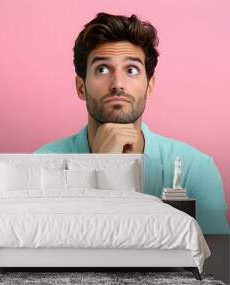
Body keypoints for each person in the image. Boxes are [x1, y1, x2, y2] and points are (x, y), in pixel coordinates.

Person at [34, 12, 229, 234]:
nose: (117, 83)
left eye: (132, 70)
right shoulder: (42, 165)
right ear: (81, 87)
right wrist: (100, 168)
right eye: (102, 69)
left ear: (149, 86)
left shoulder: (196, 169)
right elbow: (49, 254)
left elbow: (216, 260)